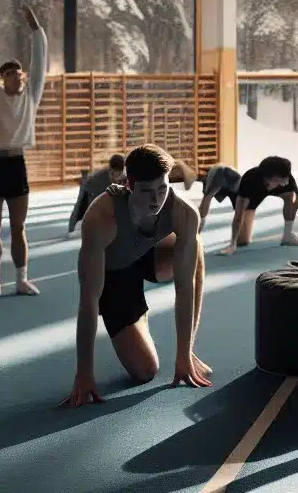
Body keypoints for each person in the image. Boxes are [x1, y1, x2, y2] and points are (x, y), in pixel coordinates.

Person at [62, 144, 210, 407]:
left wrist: (184, 354)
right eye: (146, 191)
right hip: (114, 275)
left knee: (193, 246)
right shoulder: (102, 218)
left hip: (149, 257)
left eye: (162, 189)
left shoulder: (183, 213)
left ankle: (187, 349)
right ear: (129, 185)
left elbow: (185, 288)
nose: (156, 200)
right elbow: (89, 300)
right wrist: (84, 373)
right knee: (145, 372)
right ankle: (136, 318)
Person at [0, 3, 48, 298]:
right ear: (2, 78)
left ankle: (21, 279)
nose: (18, 78)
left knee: (18, 227)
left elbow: (40, 61)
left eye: (20, 74)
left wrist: (35, 28)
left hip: (17, 165)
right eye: (11, 75)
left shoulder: (31, 96)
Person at [197, 157, 298, 254]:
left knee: (243, 241)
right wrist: (232, 244)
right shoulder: (250, 180)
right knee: (209, 194)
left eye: (284, 181)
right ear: (267, 178)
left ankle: (287, 236)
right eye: (279, 181)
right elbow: (238, 216)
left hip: (247, 193)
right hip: (226, 182)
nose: (283, 184)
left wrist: (289, 228)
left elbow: (297, 194)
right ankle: (195, 235)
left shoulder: (286, 179)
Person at [68, 154, 126, 237]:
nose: (115, 178)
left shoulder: (128, 178)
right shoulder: (98, 182)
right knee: (82, 208)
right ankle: (72, 228)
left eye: (118, 175)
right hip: (89, 188)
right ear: (110, 170)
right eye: (112, 174)